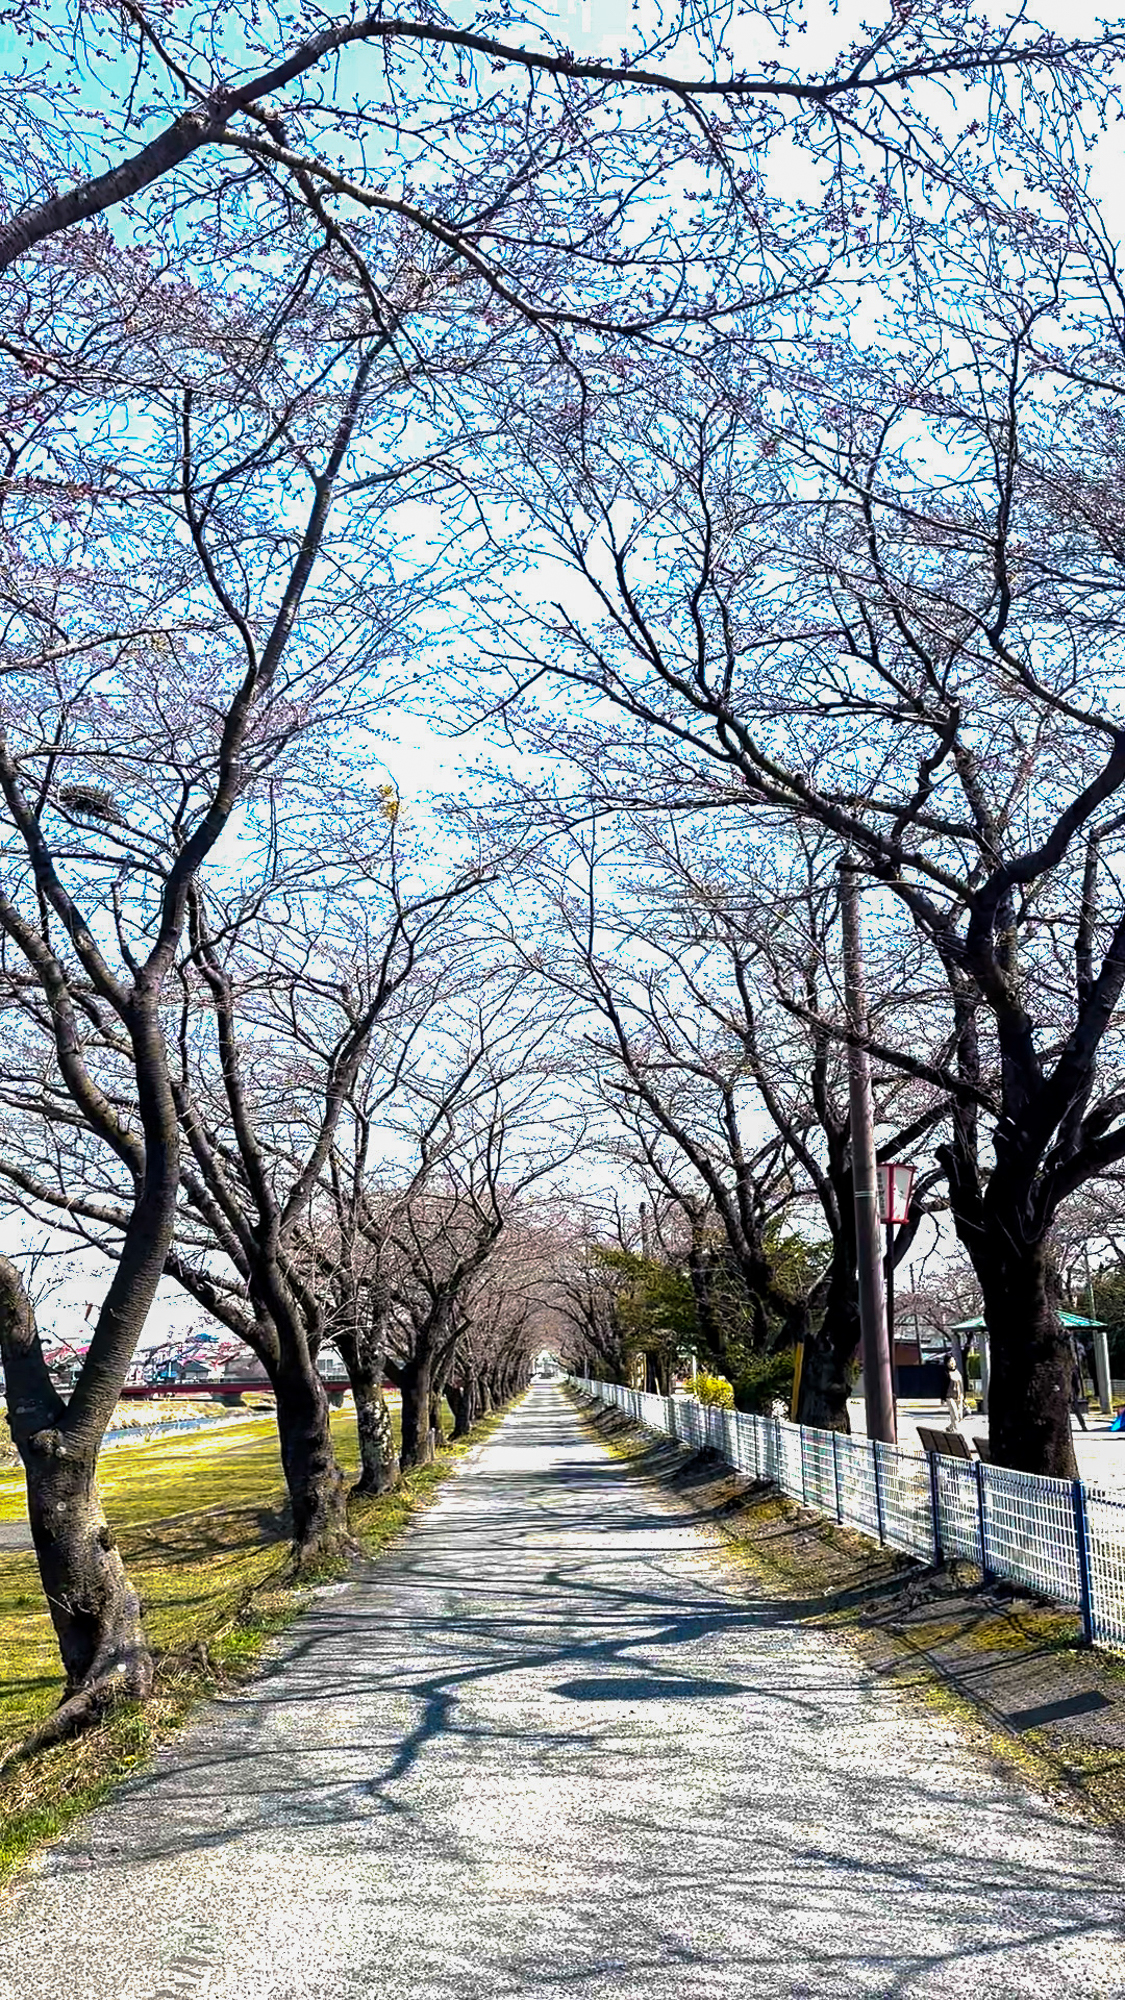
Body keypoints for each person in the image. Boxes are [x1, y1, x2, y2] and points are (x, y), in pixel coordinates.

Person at [943, 1353, 965, 1430]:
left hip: (958, 1396)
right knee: (955, 1415)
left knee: (959, 1416)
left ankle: (950, 1428)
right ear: (946, 1363)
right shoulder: (945, 1373)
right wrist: (943, 1398)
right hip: (949, 1397)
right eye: (950, 1361)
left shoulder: (957, 1372)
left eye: (953, 1361)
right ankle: (956, 1431)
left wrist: (962, 1396)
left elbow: (961, 1385)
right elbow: (943, 1386)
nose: (952, 1363)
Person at [1070, 1355, 1089, 1432]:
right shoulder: (1074, 1368)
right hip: (1072, 1391)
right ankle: (1083, 1426)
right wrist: (1077, 1391)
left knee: (1067, 1410)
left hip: (1066, 1390)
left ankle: (1068, 1427)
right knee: (1076, 1410)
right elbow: (1076, 1381)